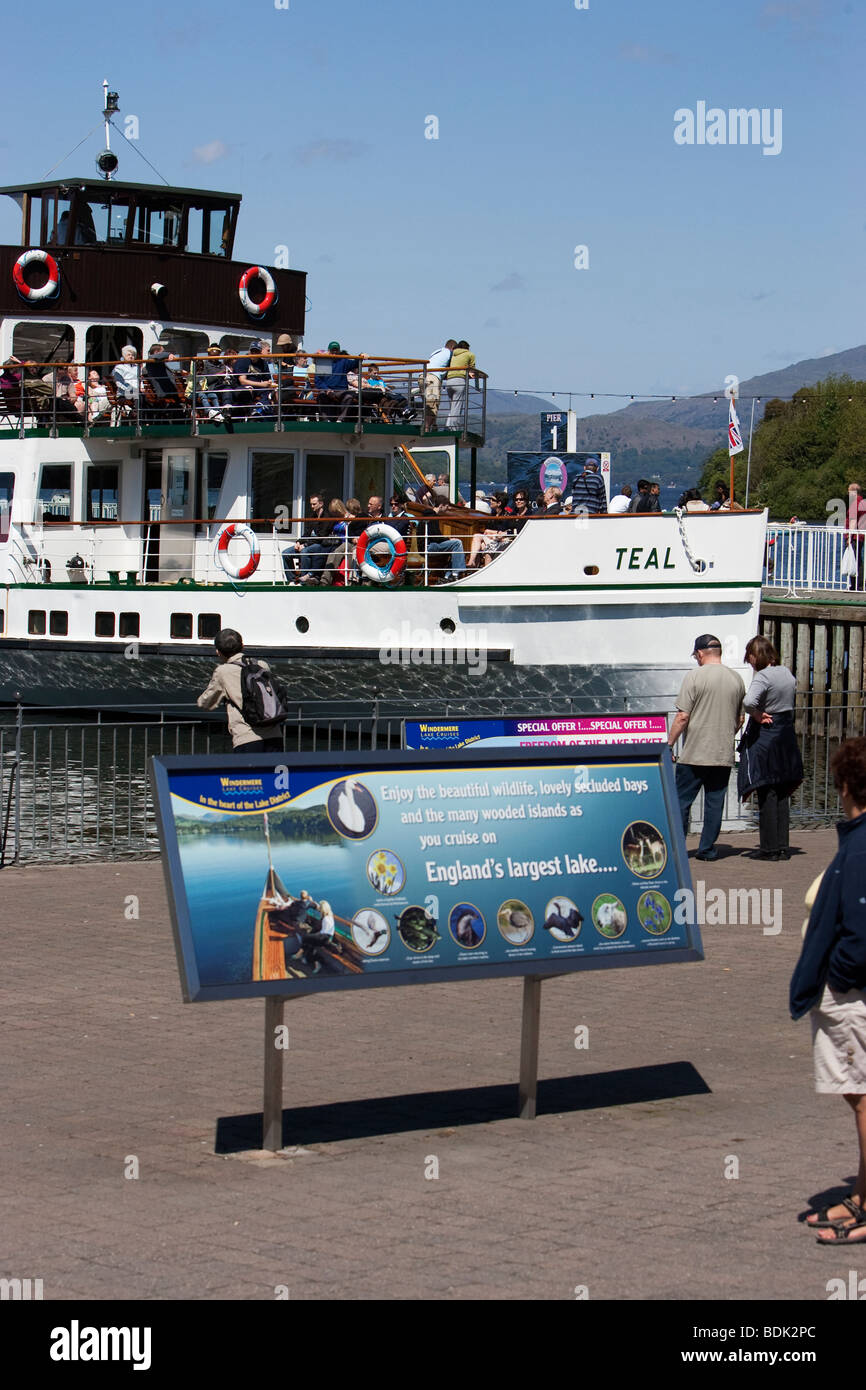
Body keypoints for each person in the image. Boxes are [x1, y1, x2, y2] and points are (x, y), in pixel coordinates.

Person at [790, 737, 866, 1246]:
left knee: (863, 1097)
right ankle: (861, 1194)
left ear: (844, 786)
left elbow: (860, 933)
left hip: (853, 993)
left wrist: (836, 976)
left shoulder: (860, 846)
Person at [667, 634, 745, 861]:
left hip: (695, 753)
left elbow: (682, 716)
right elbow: (740, 719)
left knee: (682, 802)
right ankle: (707, 849)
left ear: (700, 654)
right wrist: (725, 734)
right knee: (714, 803)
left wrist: (669, 743)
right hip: (722, 753)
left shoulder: (694, 677)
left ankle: (678, 849)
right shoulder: (736, 679)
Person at [196, 629, 284, 752]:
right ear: (242, 646)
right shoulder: (262, 665)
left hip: (246, 737)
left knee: (249, 771)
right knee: (272, 771)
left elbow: (206, 702)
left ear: (218, 652)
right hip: (275, 735)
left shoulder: (223, 672)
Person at [444, 339, 477, 430]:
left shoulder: (453, 354)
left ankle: (447, 426)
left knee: (452, 407)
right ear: (467, 348)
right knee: (457, 407)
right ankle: (453, 429)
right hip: (459, 381)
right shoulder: (470, 354)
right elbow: (472, 369)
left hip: (449, 381)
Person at [425, 339, 456, 429]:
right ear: (452, 348)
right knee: (432, 403)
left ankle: (433, 425)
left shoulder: (437, 352)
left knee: (431, 403)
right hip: (433, 377)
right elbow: (453, 367)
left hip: (423, 375)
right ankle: (426, 428)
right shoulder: (449, 354)